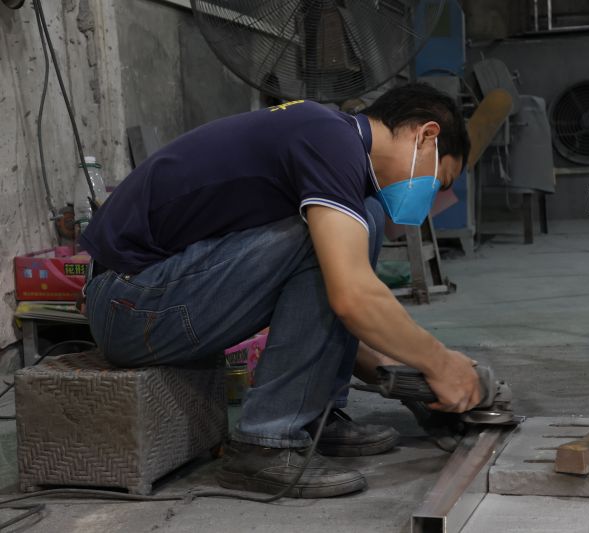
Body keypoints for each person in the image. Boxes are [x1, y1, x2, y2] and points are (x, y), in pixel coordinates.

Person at [80, 83, 480, 499]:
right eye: (439, 180)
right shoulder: (329, 140)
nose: (429, 197)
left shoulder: (333, 138)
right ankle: (267, 442)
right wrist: (441, 363)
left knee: (366, 219)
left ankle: (313, 414)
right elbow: (351, 297)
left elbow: (326, 310)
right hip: (129, 305)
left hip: (157, 293)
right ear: (426, 135)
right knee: (326, 244)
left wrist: (404, 376)